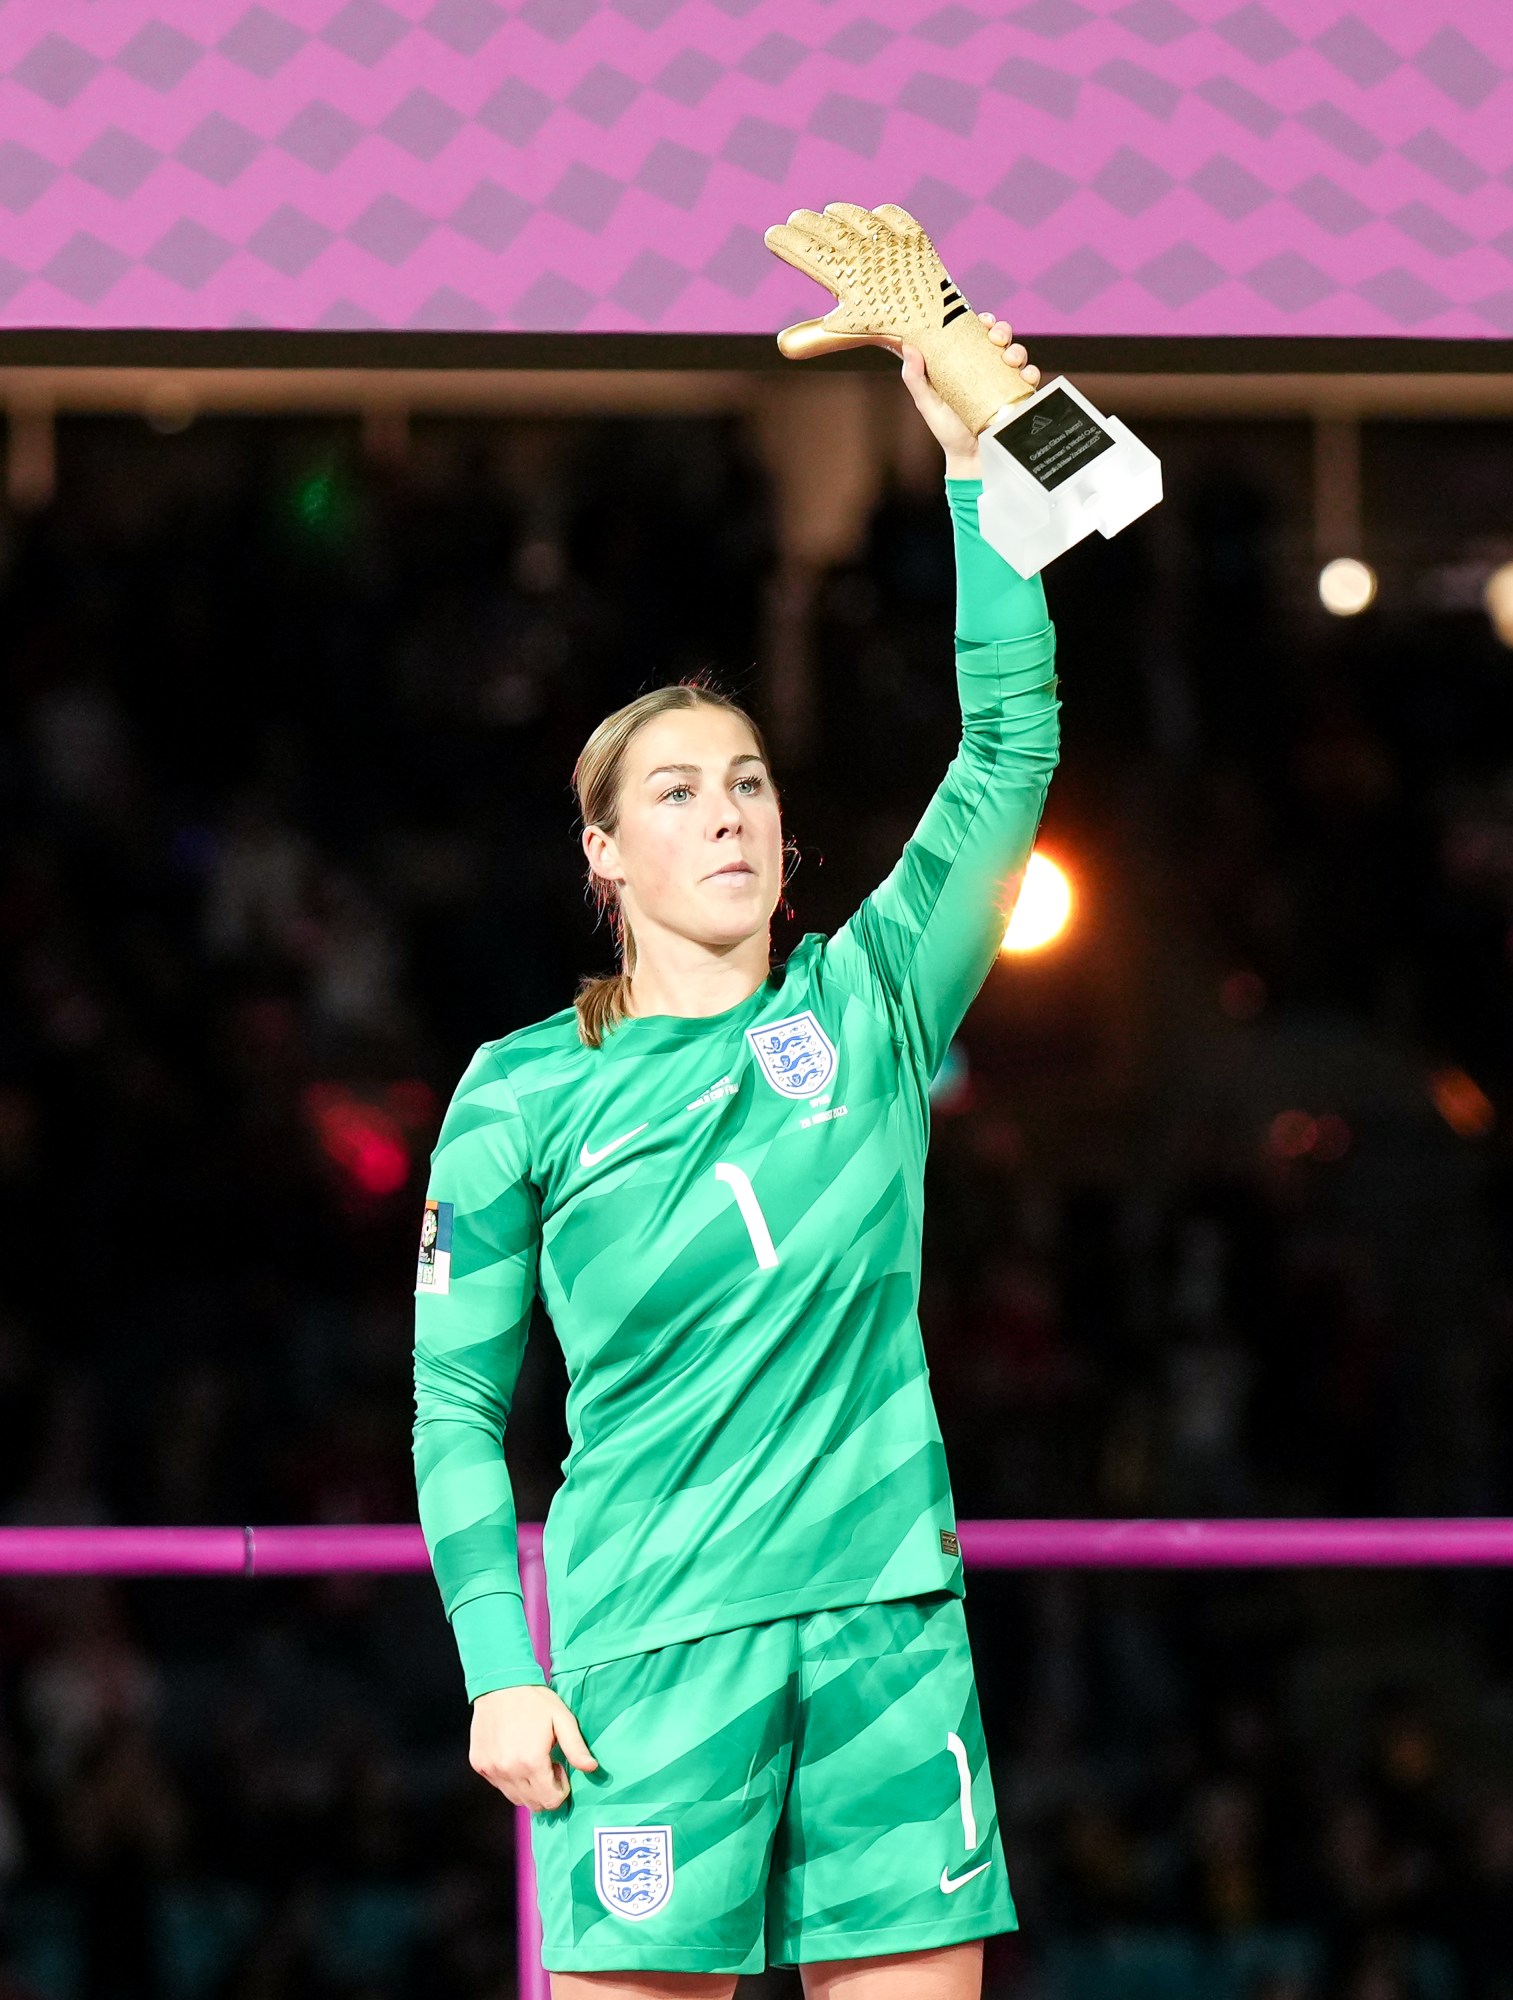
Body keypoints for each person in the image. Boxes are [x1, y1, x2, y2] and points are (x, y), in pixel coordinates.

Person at [412, 313, 1057, 1998]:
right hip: (646, 1661)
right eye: (678, 791)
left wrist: (979, 463)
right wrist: (501, 1665)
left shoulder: (876, 1003)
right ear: (604, 855)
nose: (727, 811)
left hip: (886, 1640)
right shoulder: (519, 1090)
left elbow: (1010, 750)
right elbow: (457, 1411)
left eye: (750, 781)